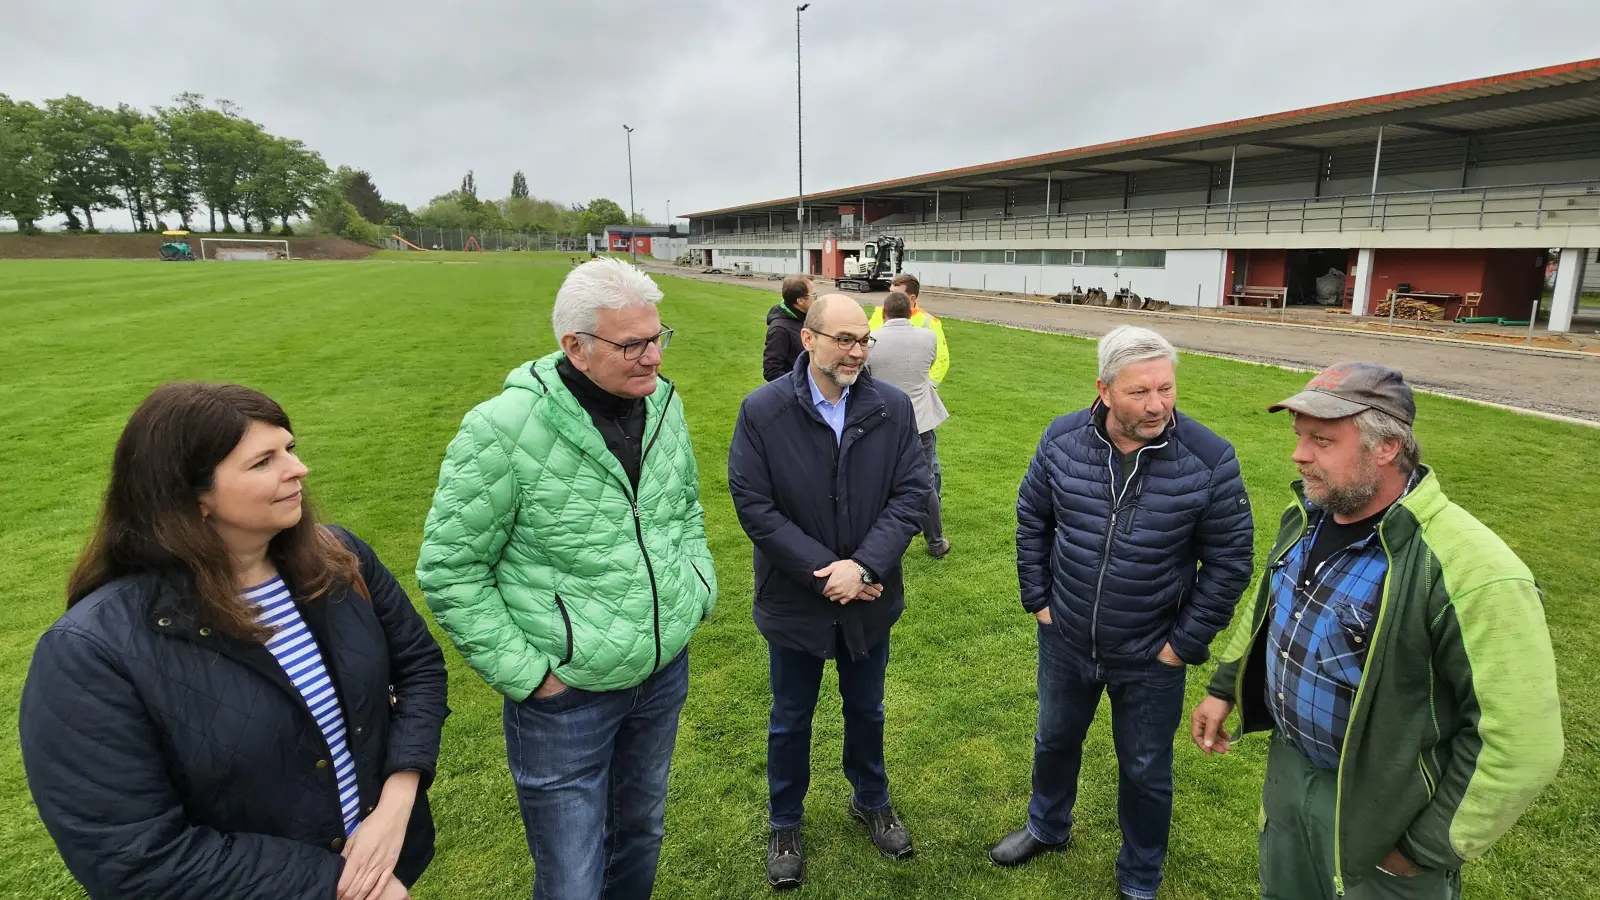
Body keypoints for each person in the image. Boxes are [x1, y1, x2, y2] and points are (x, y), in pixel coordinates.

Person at [19, 383, 448, 900]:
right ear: (191, 496)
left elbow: (419, 668)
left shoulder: (338, 558)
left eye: (289, 448)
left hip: (385, 866)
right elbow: (133, 854)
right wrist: (336, 885)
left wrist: (396, 803)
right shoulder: (90, 653)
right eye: (263, 461)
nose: (298, 469)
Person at [1191, 362, 1563, 900]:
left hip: (1387, 813)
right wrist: (1224, 687)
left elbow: (1523, 744)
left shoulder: (1474, 571)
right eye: (1300, 438)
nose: (1299, 455)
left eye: (1322, 440)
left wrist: (1422, 850)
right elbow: (1269, 606)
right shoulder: (1311, 514)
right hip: (1291, 775)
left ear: (1386, 447)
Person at [416, 257, 716, 900]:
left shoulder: (664, 403)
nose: (653, 358)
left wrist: (695, 587)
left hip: (661, 672)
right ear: (574, 348)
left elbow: (683, 507)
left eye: (658, 336)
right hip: (567, 696)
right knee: (573, 874)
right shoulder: (498, 429)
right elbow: (450, 569)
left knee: (641, 832)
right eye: (632, 344)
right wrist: (531, 676)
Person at [993, 325, 1255, 900]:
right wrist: (1038, 600)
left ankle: (1139, 876)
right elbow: (1032, 519)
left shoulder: (1210, 459)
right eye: (1140, 392)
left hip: (1150, 654)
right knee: (1055, 740)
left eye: (1166, 388)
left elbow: (1232, 562)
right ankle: (1047, 826)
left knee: (1144, 769)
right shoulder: (1061, 439)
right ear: (1105, 390)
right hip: (1064, 638)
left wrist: (1181, 645)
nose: (1158, 404)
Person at [727, 293, 930, 889]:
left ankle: (871, 797)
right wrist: (828, 571)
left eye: (864, 339)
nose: (857, 350)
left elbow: (912, 493)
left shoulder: (891, 407)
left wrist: (864, 567)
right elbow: (755, 506)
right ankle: (785, 819)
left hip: (869, 597)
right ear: (807, 339)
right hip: (796, 600)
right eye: (844, 339)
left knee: (867, 708)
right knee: (790, 718)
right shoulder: (762, 411)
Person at [867, 289, 951, 558]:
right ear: (911, 311)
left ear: (883, 312)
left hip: (883, 420)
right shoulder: (927, 336)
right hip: (920, 419)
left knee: (880, 480)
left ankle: (881, 541)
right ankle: (936, 541)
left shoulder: (871, 342)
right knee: (924, 482)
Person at [765, 274, 815, 381]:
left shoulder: (805, 318)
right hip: (798, 392)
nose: (815, 299)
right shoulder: (779, 329)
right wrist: (800, 385)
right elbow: (771, 371)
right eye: (813, 295)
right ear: (800, 301)